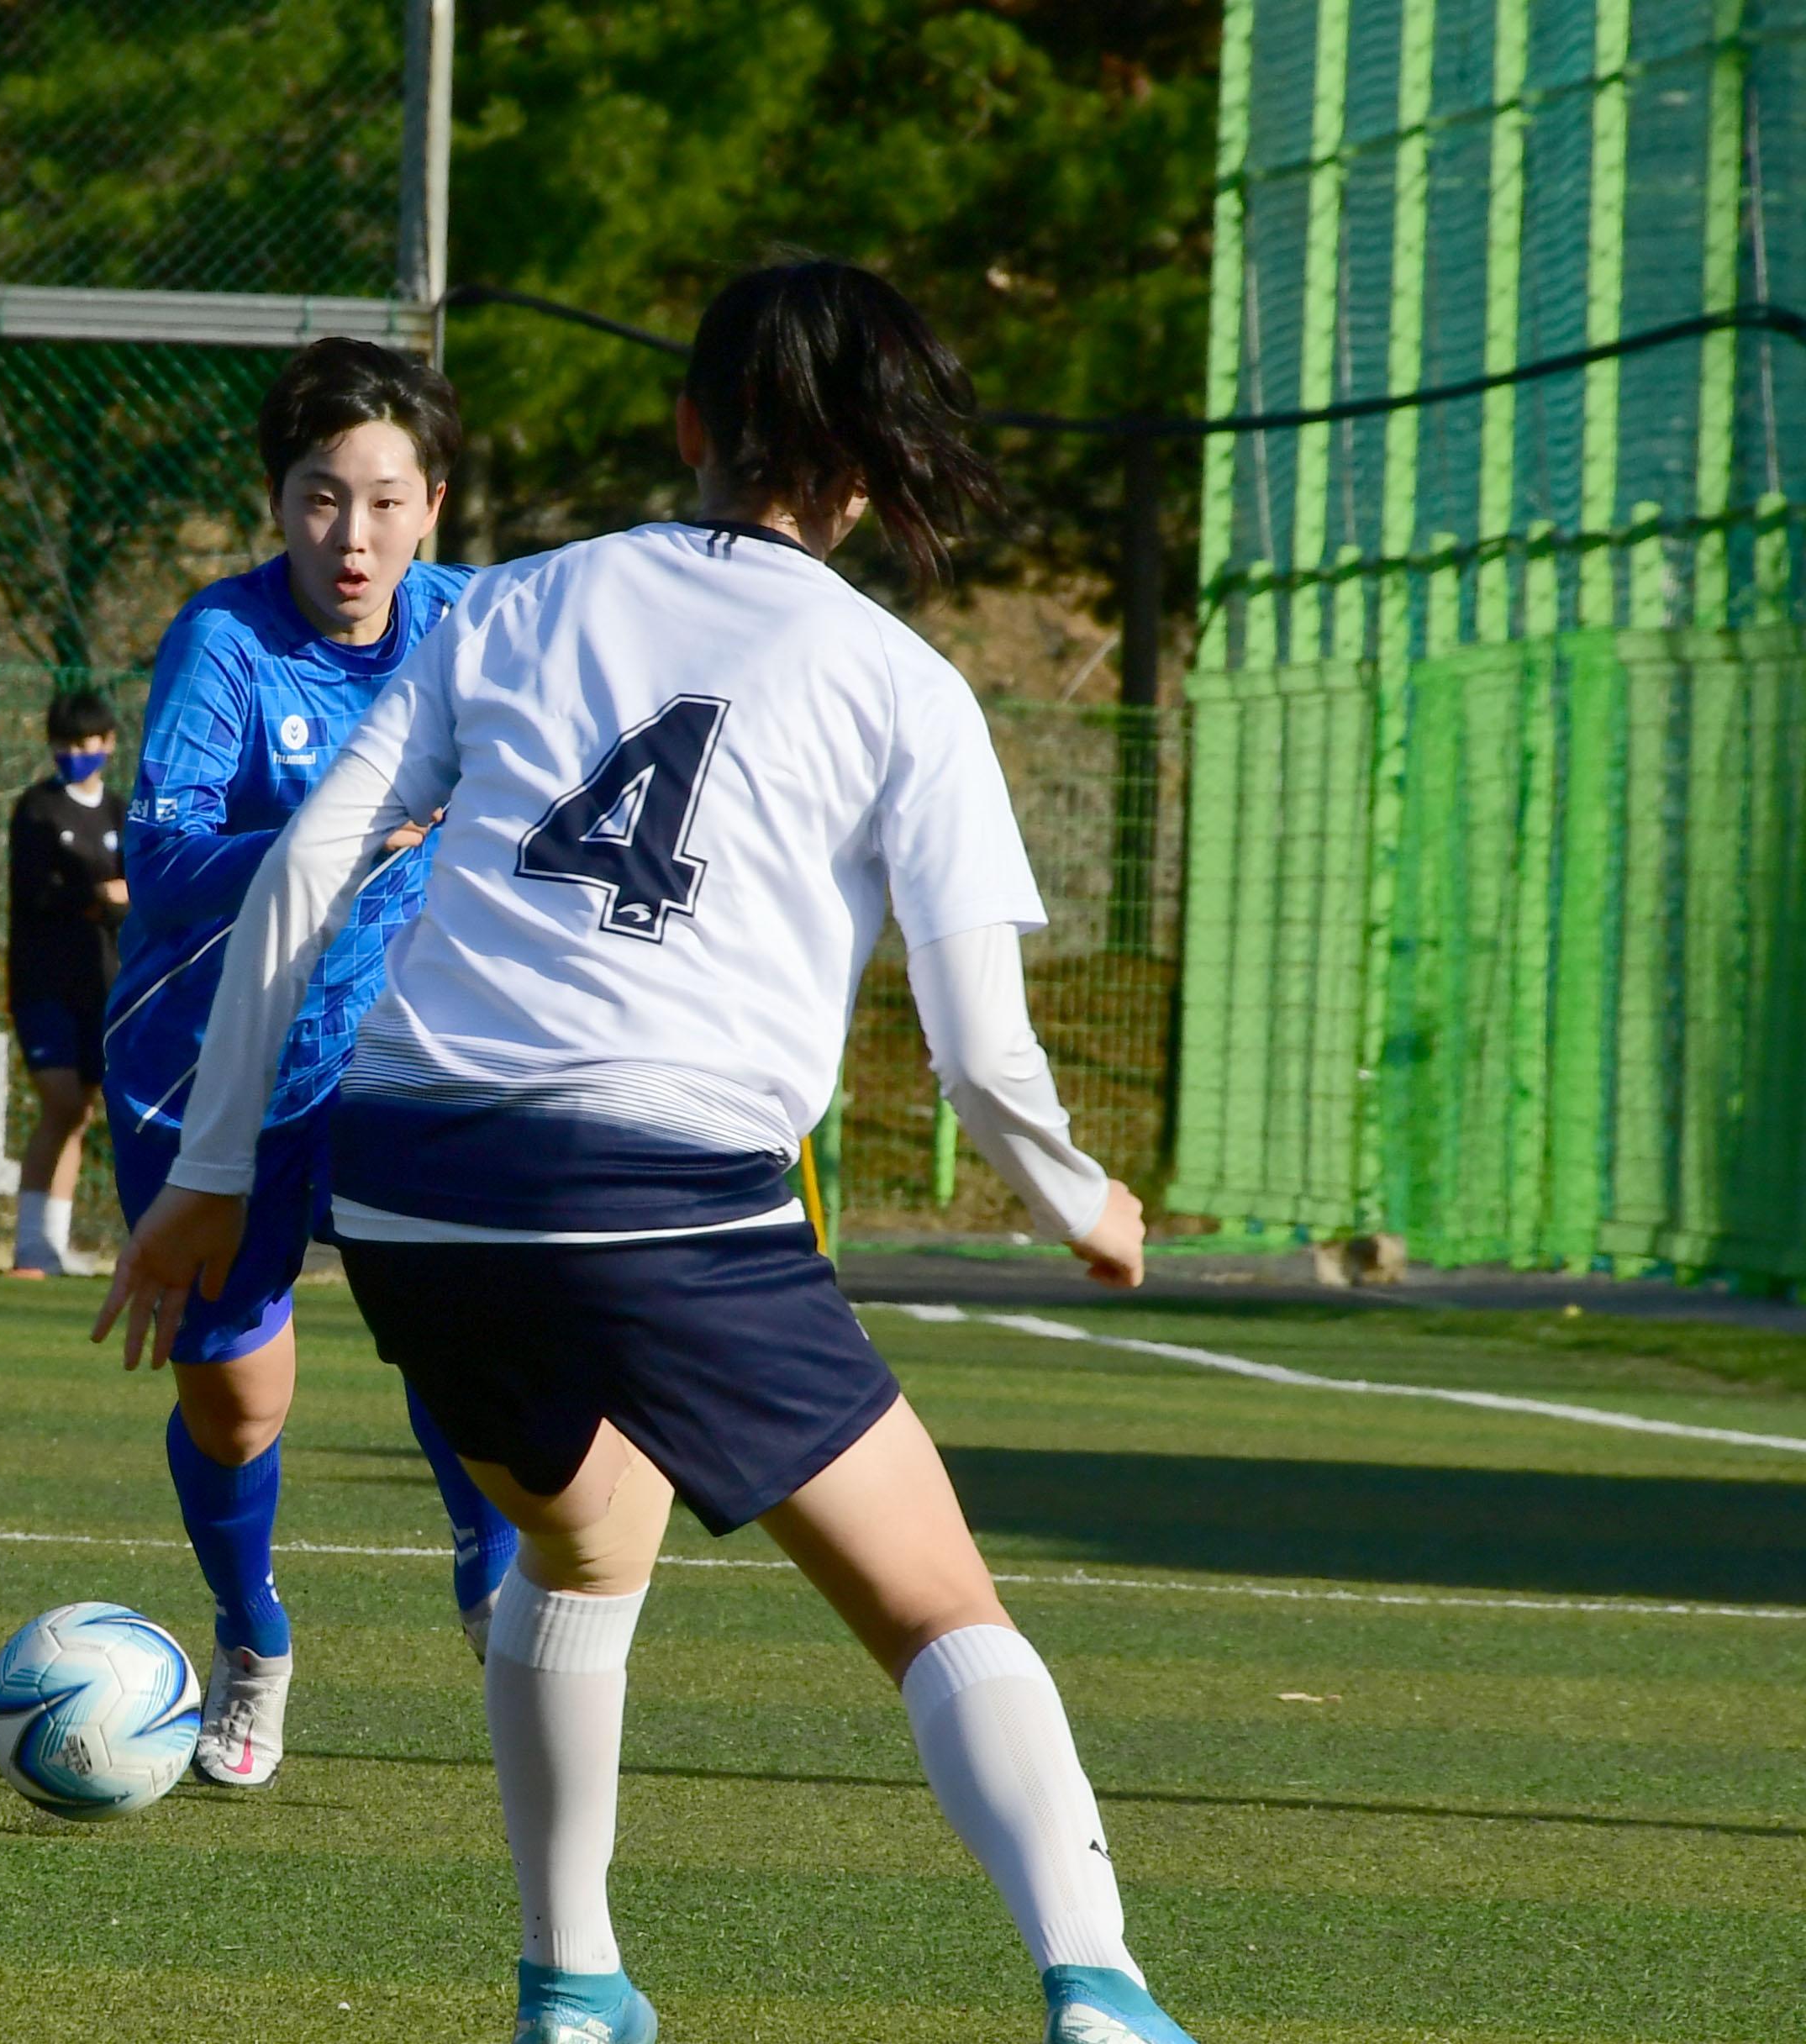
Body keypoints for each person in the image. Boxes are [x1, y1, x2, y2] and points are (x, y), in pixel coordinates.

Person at [100, 261, 1196, 2044]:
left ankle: (573, 1980)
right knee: (935, 1603)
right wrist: (1081, 1198)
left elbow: (308, 865)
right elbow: (978, 1050)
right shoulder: (905, 684)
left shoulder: (514, 602)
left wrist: (215, 1173)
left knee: (590, 1543)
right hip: (665, 1191)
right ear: (873, 470)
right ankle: (1100, 1986)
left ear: (690, 425)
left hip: (413, 1190)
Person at [103, 335, 518, 1792]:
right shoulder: (223, 644)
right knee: (236, 1401)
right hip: (211, 1067)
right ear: (275, 500)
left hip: (407, 1054)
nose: (354, 536)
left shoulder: (480, 627)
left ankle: (497, 1570)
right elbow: (155, 863)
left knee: (463, 1338)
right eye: (320, 497)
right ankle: (252, 1634)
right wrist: (324, 847)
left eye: (388, 501)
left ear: (438, 502)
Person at [6, 689, 128, 1278]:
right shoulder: (36, 809)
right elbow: (33, 894)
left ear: (108, 744)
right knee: (59, 1102)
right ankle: (30, 1246)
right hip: (43, 981)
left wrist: (121, 904)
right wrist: (98, 897)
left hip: (103, 983)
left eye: (85, 744)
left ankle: (51, 1245)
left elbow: (147, 894)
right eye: (63, 744)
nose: (74, 754)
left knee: (82, 1112)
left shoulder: (122, 814)